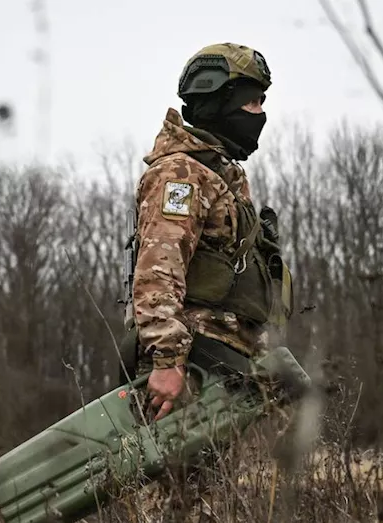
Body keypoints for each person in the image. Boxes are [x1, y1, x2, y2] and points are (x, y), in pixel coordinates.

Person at [119, 43, 294, 421]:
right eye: (252, 103)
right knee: (182, 481)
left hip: (223, 367)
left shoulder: (220, 177)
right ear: (220, 104)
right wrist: (166, 361)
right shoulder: (180, 175)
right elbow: (157, 273)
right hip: (188, 367)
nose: (261, 114)